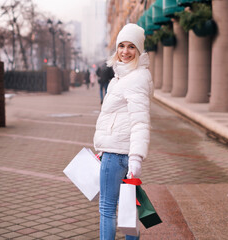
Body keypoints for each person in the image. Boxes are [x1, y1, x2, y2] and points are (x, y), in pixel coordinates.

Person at [93, 23, 153, 240]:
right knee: (129, 208)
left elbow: (140, 121)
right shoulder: (122, 77)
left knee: (107, 210)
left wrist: (136, 157)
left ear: (139, 50)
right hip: (117, 152)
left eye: (131, 47)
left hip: (118, 155)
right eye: (121, 46)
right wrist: (104, 148)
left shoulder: (135, 78)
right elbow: (120, 119)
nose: (125, 52)